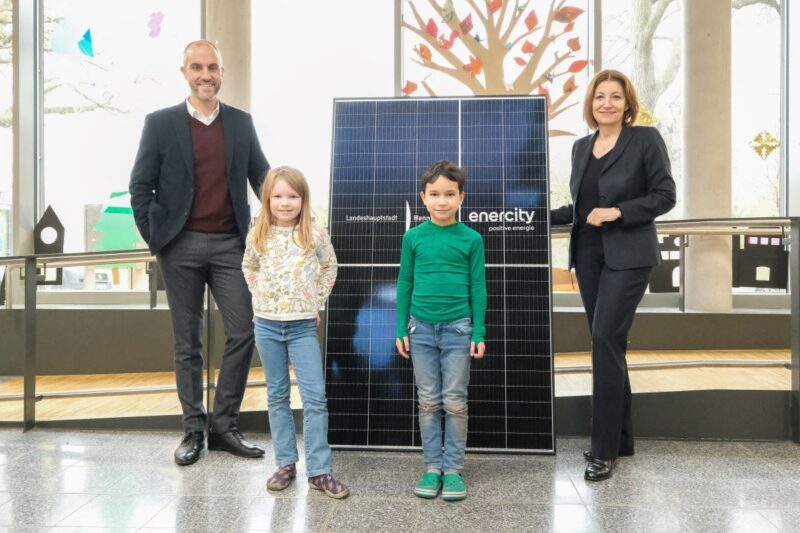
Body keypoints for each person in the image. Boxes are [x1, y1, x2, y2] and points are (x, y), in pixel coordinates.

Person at [129, 40, 269, 465]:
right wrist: (159, 239)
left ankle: (224, 425)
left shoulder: (241, 124)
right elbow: (140, 187)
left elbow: (261, 176)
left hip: (231, 245)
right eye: (197, 67)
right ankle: (193, 429)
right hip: (181, 245)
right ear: (184, 72)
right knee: (186, 341)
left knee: (243, 331)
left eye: (212, 67)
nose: (205, 74)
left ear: (222, 73)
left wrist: (287, 211)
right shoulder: (160, 123)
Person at [550, 69, 676, 481]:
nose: (607, 102)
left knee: (604, 338)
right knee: (609, 344)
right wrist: (537, 218)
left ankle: (602, 449)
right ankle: (621, 437)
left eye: (615, 97)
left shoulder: (645, 140)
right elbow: (581, 208)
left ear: (627, 105)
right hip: (587, 256)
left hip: (629, 255)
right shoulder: (580, 147)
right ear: (591, 104)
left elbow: (665, 195)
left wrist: (620, 211)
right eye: (600, 96)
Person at [242, 166, 349, 499]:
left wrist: (314, 299)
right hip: (267, 325)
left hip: (302, 326)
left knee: (315, 398)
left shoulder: (314, 234)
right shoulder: (257, 232)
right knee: (277, 395)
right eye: (278, 196)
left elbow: (330, 266)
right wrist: (261, 293)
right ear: (267, 199)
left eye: (292, 196)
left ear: (303, 200)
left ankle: (319, 471)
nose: (285, 203)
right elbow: (249, 266)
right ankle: (285, 463)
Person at [396, 160, 487, 502]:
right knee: (429, 401)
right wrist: (400, 327)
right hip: (420, 330)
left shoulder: (471, 239)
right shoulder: (413, 237)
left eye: (450, 194)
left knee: (455, 402)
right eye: (435, 194)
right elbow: (404, 283)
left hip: (458, 331)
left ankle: (453, 470)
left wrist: (478, 332)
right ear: (423, 198)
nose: (442, 201)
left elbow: (478, 288)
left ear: (461, 197)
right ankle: (432, 467)